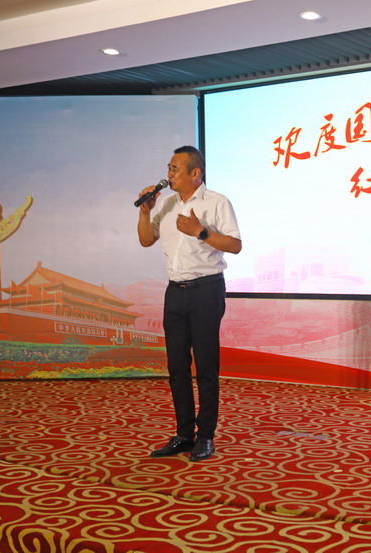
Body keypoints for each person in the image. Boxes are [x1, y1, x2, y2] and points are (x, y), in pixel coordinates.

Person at [137, 145, 241, 462]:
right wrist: (145, 212)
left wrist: (201, 232)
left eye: (175, 168)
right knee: (176, 368)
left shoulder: (217, 202)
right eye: (168, 167)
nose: (169, 174)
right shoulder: (167, 204)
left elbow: (235, 245)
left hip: (206, 290)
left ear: (195, 173)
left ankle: (205, 436)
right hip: (175, 292)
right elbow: (146, 240)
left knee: (205, 367)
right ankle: (184, 434)